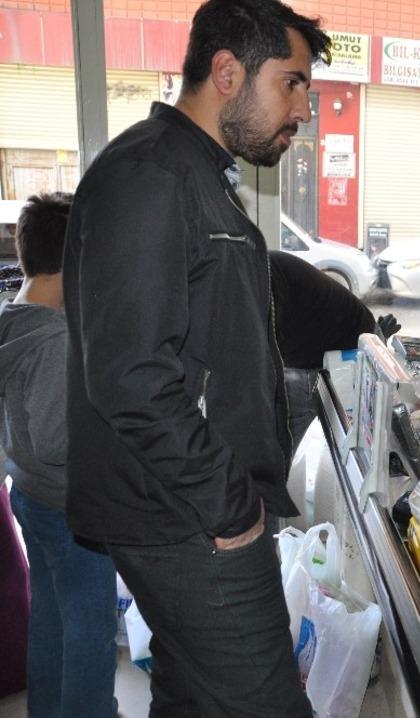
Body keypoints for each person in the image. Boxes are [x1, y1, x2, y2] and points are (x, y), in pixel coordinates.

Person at [62, 2, 331, 715]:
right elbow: (130, 377)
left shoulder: (195, 173)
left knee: (191, 695)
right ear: (227, 71)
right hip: (187, 517)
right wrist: (230, 504)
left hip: (187, 507)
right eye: (292, 83)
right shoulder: (152, 175)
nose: (303, 109)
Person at [2, 193, 117, 717]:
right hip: (71, 510)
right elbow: (55, 441)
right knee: (91, 630)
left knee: (51, 618)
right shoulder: (55, 340)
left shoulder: (14, 318)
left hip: (29, 495)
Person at [269, 249, 400, 449]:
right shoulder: (253, 265)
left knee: (273, 448)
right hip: (343, 340)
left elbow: (257, 357)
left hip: (341, 355)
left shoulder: (256, 279)